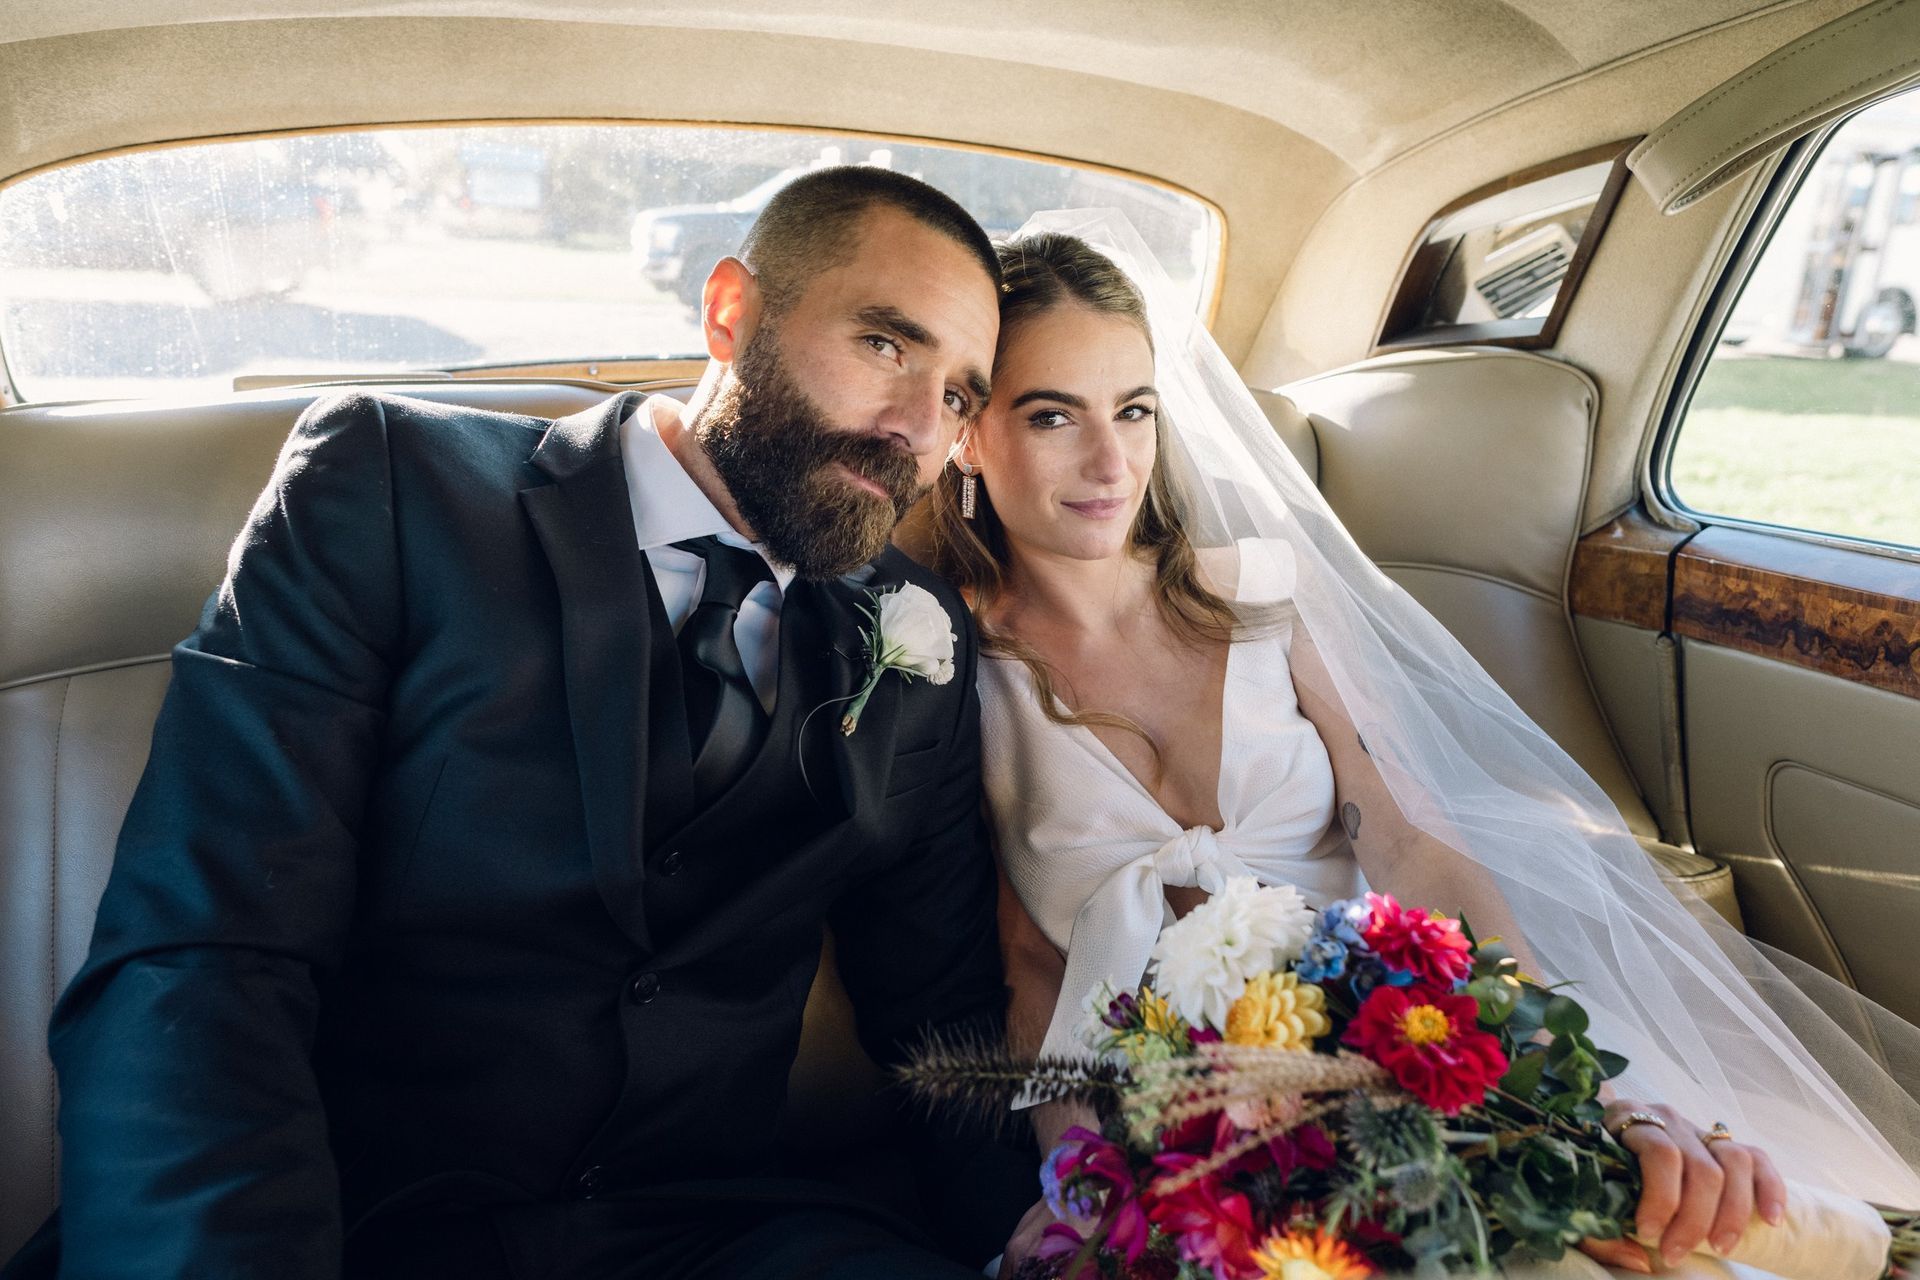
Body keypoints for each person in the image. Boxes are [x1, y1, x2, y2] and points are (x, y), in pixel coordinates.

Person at [3, 166, 1035, 1280]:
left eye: (961, 396)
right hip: (358, 1217)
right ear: (732, 311)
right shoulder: (393, 487)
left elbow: (940, 1010)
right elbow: (201, 951)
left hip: (715, 1229)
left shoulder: (915, 634)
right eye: (887, 345)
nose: (916, 430)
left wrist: (1054, 1234)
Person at [920, 221, 1920, 1276]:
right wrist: (1078, 1187)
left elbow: (1408, 842)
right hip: (1188, 1118)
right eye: (1051, 415)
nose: (1111, 460)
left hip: (1409, 1039)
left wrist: (1564, 1078)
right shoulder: (948, 667)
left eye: (1134, 409)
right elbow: (1034, 964)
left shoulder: (1257, 596)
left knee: (1658, 1237)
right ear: (971, 433)